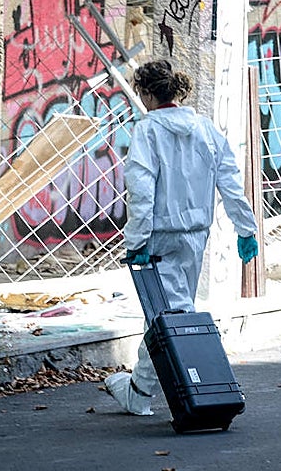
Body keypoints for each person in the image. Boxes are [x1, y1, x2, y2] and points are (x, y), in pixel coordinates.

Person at [104, 59, 259, 416]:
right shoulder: (205, 129)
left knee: (170, 317)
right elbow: (232, 184)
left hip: (158, 238)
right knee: (166, 315)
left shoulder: (147, 130)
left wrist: (136, 241)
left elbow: (141, 190)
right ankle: (140, 392)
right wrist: (245, 229)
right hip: (195, 236)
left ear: (145, 93)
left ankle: (186, 388)